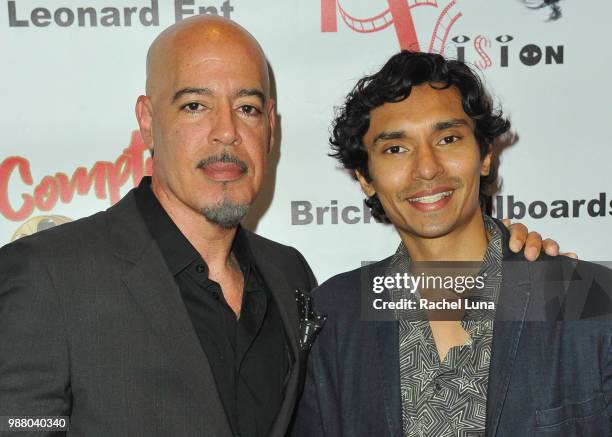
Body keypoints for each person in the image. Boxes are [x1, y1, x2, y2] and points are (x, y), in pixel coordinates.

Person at [0, 16, 564, 437]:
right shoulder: (49, 277)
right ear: (148, 122)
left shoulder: (294, 279)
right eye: (195, 105)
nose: (226, 132)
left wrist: (516, 266)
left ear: (270, 126)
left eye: (247, 108)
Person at [292, 51, 612, 437]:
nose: (427, 167)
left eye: (448, 138)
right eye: (396, 148)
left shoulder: (589, 301)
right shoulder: (336, 315)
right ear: (365, 176)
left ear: (485, 155)